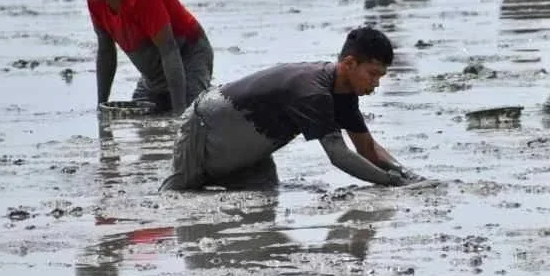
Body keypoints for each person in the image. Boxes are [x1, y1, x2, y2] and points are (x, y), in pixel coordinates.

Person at [161, 27, 420, 191]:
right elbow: (338, 155)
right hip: (203, 129)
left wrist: (408, 175)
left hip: (250, 154)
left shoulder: (345, 94)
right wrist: (391, 182)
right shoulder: (313, 91)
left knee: (264, 201)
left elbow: (367, 149)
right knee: (175, 199)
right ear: (349, 63)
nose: (376, 84)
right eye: (373, 75)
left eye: (381, 78)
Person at [64, 0, 213, 115]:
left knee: (190, 118)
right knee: (139, 121)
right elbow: (106, 52)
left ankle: (206, 97)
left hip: (187, 55)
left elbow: (169, 50)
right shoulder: (95, 2)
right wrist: (101, 105)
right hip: (153, 72)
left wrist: (180, 111)